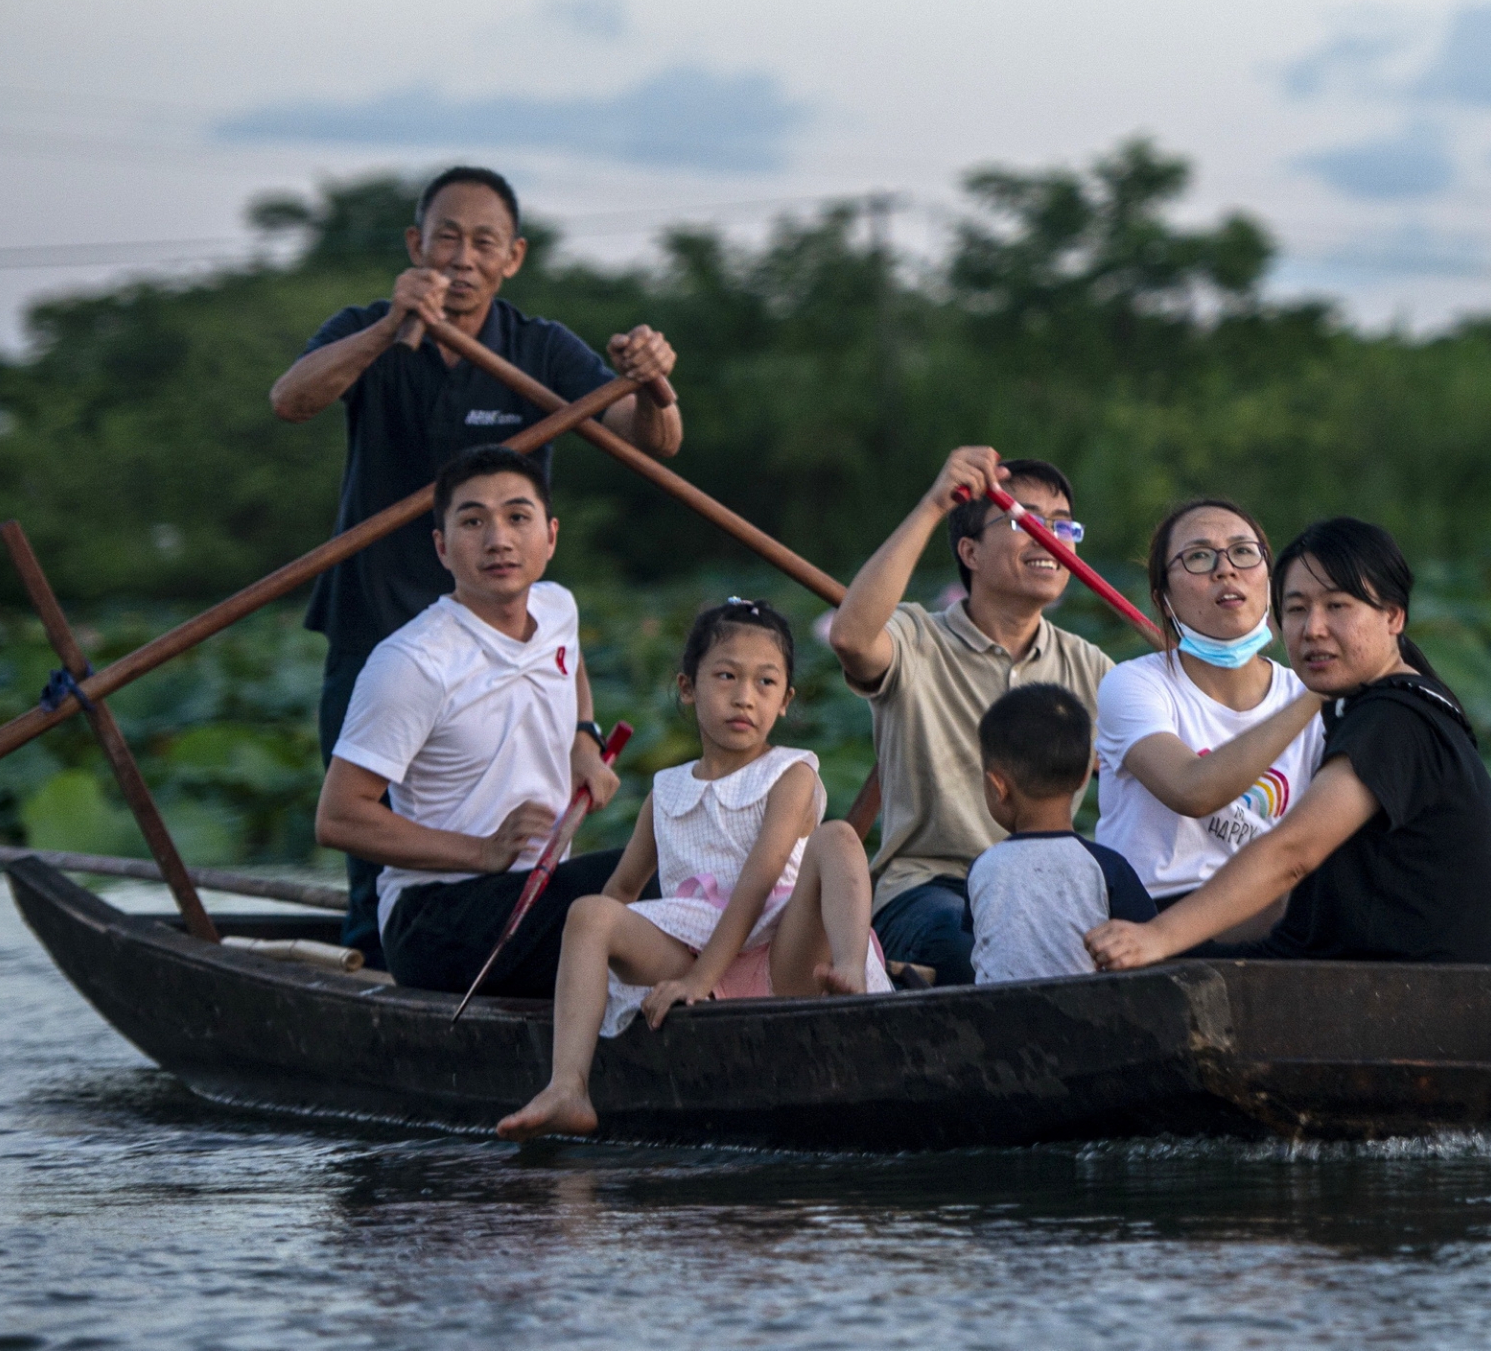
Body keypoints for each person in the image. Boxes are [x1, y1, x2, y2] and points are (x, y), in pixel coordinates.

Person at [269, 165, 683, 961]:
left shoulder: (536, 348)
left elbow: (652, 441)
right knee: (371, 833)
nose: (462, 257)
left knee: (528, 821)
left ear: (513, 257)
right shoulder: (371, 326)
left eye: (483, 241)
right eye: (446, 237)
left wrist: (655, 384)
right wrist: (391, 326)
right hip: (384, 617)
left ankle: (522, 946)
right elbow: (291, 400)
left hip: (503, 624)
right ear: (414, 245)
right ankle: (377, 968)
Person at [496, 599, 887, 1139]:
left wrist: (702, 978)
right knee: (589, 914)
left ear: (785, 701)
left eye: (766, 683)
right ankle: (568, 1087)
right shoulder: (667, 790)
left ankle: (852, 979)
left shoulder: (790, 774)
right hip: (693, 952)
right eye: (726, 676)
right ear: (688, 687)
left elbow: (760, 877)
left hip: (787, 957)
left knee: (837, 837)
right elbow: (623, 889)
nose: (744, 697)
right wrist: (591, 974)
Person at [1084, 517, 1491, 973]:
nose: (1313, 629)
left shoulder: (1391, 718)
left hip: (1391, 985)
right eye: (1296, 610)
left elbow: (1293, 853)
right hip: (1355, 959)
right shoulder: (1405, 702)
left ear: (1393, 616)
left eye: (1338, 606)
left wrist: (1158, 938)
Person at [313, 446, 625, 996]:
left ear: (550, 536)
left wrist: (584, 737)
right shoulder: (413, 663)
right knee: (640, 877)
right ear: (441, 547)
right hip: (434, 917)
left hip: (536, 894)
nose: (498, 540)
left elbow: (569, 664)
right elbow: (338, 818)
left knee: (678, 857)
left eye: (517, 517)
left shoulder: (558, 609)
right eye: (473, 521)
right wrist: (481, 852)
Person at [827, 445, 1116, 984]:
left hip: (1044, 883)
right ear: (970, 551)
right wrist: (935, 504)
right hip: (930, 890)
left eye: (1062, 526)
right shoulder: (917, 639)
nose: (1049, 537)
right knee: (972, 947)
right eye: (1022, 520)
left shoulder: (1090, 665)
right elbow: (849, 637)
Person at [1089, 499, 1327, 903]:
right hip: (1155, 912)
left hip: (1275, 910)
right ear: (1163, 598)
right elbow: (1191, 791)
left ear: (1270, 581)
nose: (1226, 569)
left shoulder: (1304, 697)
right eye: (1199, 557)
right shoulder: (1133, 685)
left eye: (1244, 552)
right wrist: (1321, 691)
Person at [961, 685, 1159, 983]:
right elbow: (1148, 943)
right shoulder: (1107, 867)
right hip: (1093, 1020)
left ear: (997, 787)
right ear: (1083, 778)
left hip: (997, 1021)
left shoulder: (984, 867)